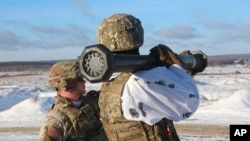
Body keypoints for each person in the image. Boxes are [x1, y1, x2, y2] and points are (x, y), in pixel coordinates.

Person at [96, 13, 202, 141]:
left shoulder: (110, 81)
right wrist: (174, 67)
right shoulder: (140, 81)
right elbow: (189, 103)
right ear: (137, 34)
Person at [39, 61, 108, 141]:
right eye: (79, 79)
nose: (84, 82)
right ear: (67, 84)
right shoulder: (57, 120)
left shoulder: (89, 102)